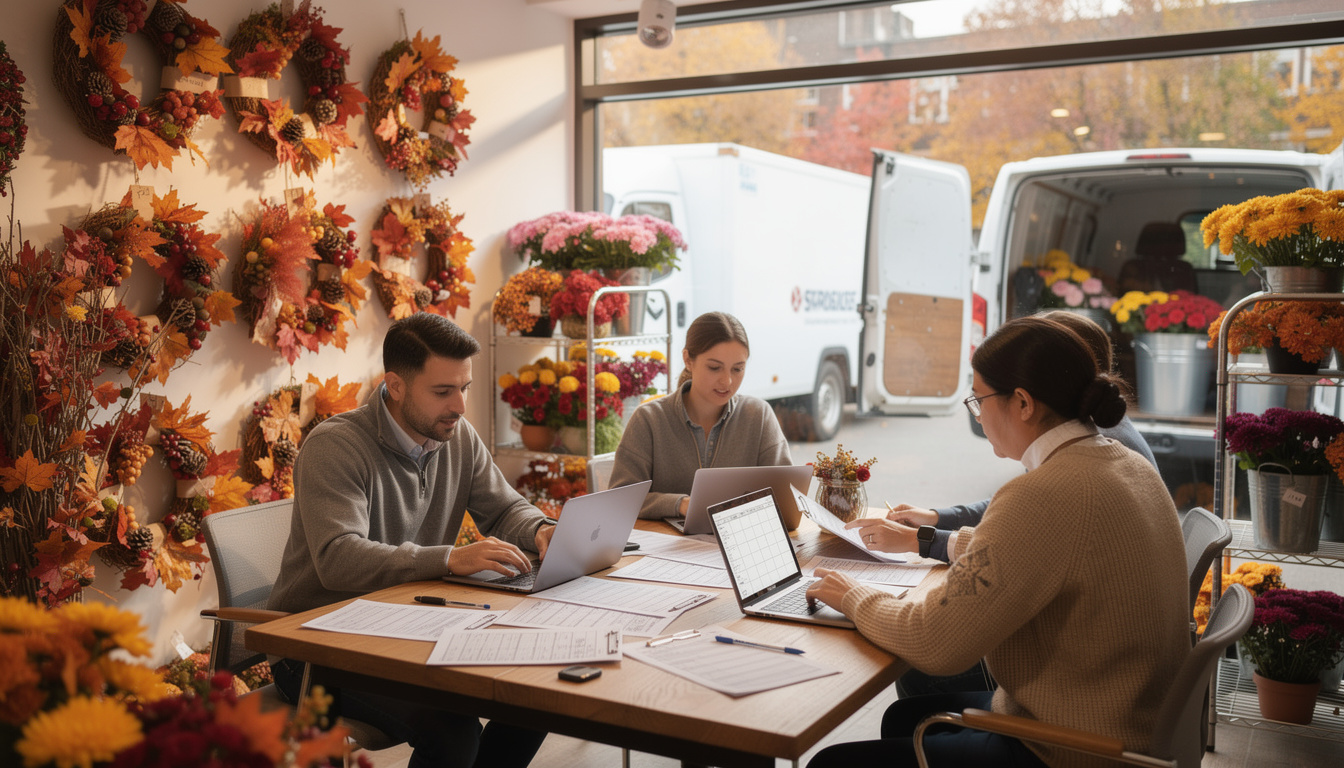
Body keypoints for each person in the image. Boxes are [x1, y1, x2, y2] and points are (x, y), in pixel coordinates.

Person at [804, 315, 1189, 768]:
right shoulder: (1123, 463)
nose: (978, 413)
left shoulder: (1044, 494)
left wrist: (854, 596)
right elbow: (1033, 552)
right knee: (906, 717)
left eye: (978, 399)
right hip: (1129, 724)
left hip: (1070, 749)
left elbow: (936, 643)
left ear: (1023, 403)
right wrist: (925, 541)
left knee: (831, 763)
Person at [268, 313, 554, 768]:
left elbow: (502, 508)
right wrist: (449, 558)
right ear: (395, 386)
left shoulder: (455, 435)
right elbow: (337, 558)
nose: (459, 405)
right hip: (316, 646)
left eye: (464, 387)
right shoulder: (335, 447)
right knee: (451, 732)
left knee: (536, 695)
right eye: (443, 391)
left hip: (408, 628)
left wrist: (541, 529)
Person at [609, 311, 792, 519]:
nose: (727, 381)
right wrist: (680, 504)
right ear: (688, 359)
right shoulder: (649, 420)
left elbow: (786, 498)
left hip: (739, 542)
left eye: (738, 369)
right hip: (666, 546)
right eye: (715, 368)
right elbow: (619, 499)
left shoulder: (759, 417)